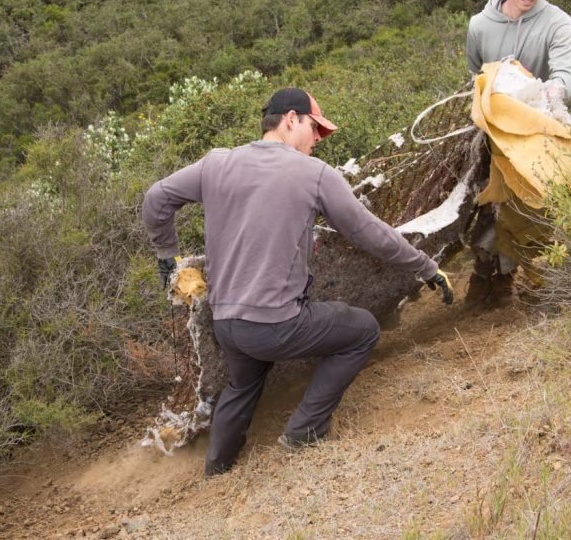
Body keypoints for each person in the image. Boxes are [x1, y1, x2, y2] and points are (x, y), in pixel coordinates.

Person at [142, 87, 454, 477]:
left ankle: (217, 470)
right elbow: (368, 232)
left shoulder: (216, 164)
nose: (317, 141)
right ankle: (304, 431)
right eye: (315, 129)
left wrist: (167, 259)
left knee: (242, 384)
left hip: (226, 325)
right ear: (292, 119)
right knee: (362, 331)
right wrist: (425, 265)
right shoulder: (314, 174)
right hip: (276, 325)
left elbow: (156, 199)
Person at [464, 0, 571, 304]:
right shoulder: (480, 26)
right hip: (490, 131)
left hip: (539, 128)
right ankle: (487, 278)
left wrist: (544, 95)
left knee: (536, 204)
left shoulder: (558, 23)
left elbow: (564, 77)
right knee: (484, 202)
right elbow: (473, 76)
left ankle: (549, 278)